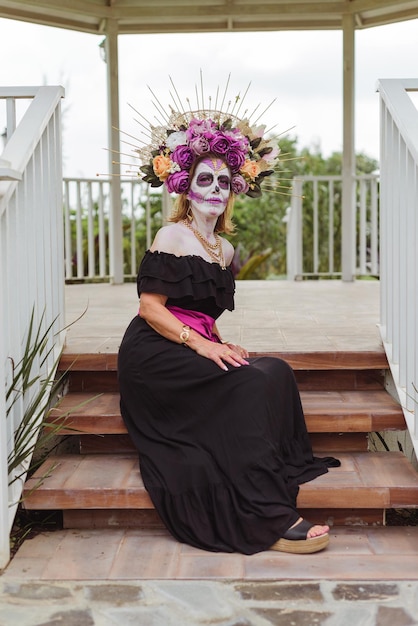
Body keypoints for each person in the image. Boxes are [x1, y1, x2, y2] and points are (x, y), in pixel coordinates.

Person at [118, 101, 340, 555]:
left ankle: (272, 470)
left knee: (274, 370)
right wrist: (200, 346)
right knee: (246, 388)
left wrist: (215, 342)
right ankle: (269, 514)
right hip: (155, 352)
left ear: (234, 188)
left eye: (223, 181)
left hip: (193, 343)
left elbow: (200, 310)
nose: (215, 188)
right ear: (185, 186)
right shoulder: (172, 236)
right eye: (205, 179)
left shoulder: (224, 247)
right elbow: (150, 308)